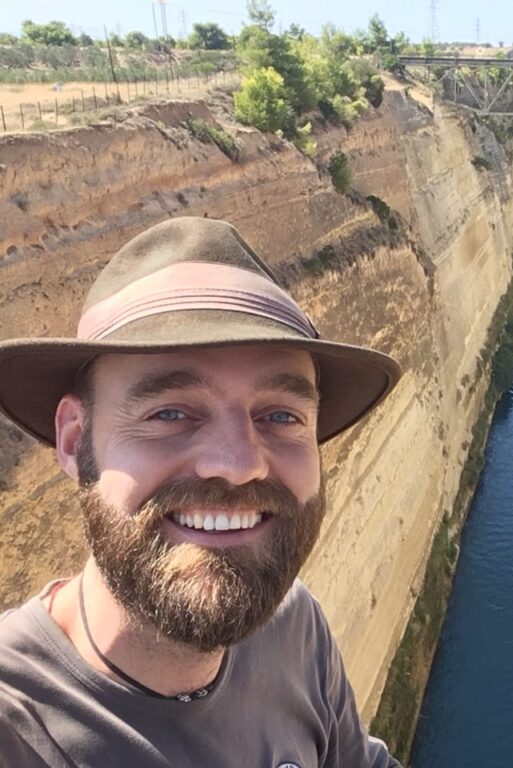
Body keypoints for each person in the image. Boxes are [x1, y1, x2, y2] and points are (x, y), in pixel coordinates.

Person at [0, 217, 404, 767]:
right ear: (74, 441)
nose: (238, 466)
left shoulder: (293, 625)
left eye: (281, 415)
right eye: (169, 412)